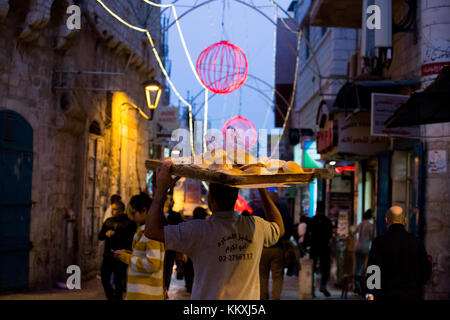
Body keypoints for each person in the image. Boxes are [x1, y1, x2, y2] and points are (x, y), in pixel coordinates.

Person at [145, 160, 284, 300]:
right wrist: (262, 188)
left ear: (211, 199)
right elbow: (279, 228)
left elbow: (152, 230)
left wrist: (161, 191)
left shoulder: (198, 231)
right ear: (236, 198)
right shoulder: (256, 226)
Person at [366, 206, 432, 300]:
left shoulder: (379, 242)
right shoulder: (417, 242)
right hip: (411, 295)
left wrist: (370, 294)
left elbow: (373, 270)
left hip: (385, 295)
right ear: (405, 220)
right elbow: (426, 271)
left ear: (386, 220)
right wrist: (415, 285)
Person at [113, 193, 165, 300]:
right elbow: (144, 257)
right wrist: (127, 253)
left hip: (145, 296)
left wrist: (126, 257)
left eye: (134, 213)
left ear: (144, 210)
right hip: (139, 294)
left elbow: (152, 264)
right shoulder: (144, 232)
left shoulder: (150, 234)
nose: (132, 217)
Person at [253, 189, 293, 299]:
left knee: (262, 276)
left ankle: (263, 297)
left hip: (262, 249)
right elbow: (289, 227)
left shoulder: (258, 212)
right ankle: (276, 297)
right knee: (278, 276)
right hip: (278, 248)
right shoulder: (283, 211)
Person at [98, 200, 136, 300]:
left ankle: (118, 298)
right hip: (108, 256)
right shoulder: (108, 221)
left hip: (121, 257)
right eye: (112, 209)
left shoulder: (129, 223)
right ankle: (111, 297)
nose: (112, 211)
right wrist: (106, 234)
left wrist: (116, 235)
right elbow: (100, 235)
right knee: (105, 279)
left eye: (115, 209)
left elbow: (131, 239)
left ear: (121, 210)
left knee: (119, 281)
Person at [306, 206, 333, 297]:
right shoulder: (327, 221)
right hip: (324, 247)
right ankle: (323, 285)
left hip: (314, 247)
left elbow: (307, 234)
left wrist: (306, 246)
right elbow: (330, 235)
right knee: (326, 267)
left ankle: (311, 289)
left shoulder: (312, 220)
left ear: (316, 210)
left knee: (312, 268)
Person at [353, 209, 375, 293]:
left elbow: (353, 233)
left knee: (358, 267)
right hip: (365, 248)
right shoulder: (370, 225)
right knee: (365, 267)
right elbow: (372, 237)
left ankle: (357, 286)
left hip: (357, 246)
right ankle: (364, 286)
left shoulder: (361, 223)